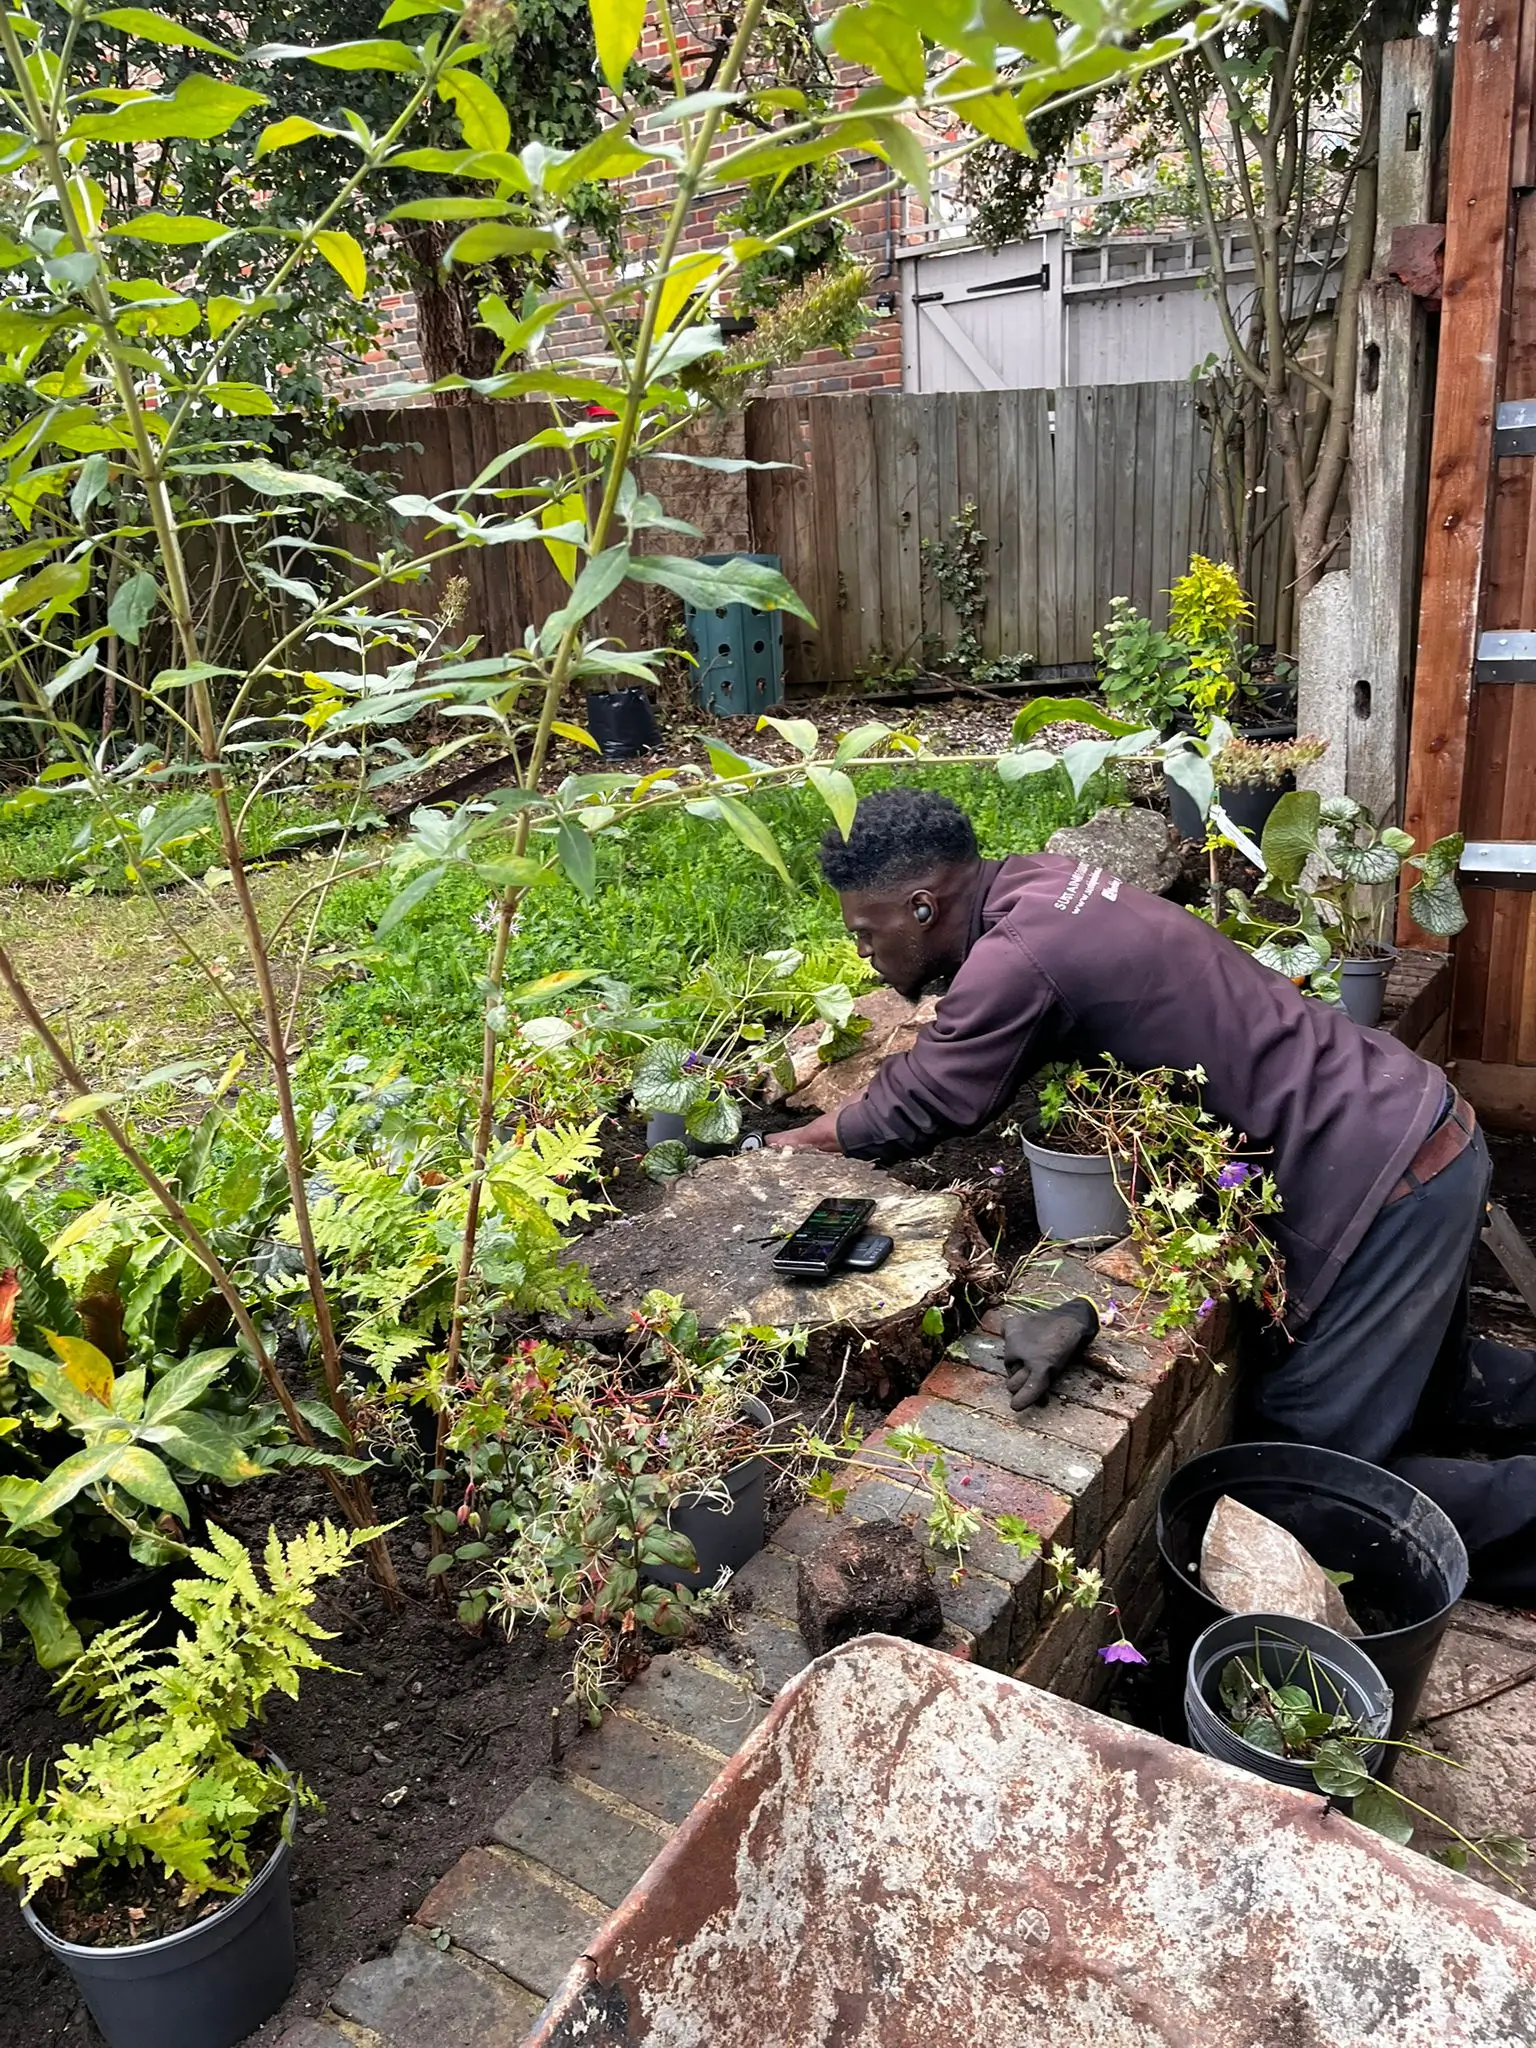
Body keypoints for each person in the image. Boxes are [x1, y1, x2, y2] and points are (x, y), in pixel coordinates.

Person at [765, 786, 1536, 1600]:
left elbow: (927, 1099)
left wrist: (787, 1144)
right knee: (1432, 1385)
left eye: (865, 933)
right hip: (1414, 1126)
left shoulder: (1018, 951)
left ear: (921, 906)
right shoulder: (1043, 883)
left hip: (1387, 1184)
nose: (862, 957)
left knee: (1300, 1495)